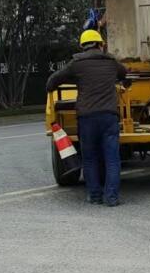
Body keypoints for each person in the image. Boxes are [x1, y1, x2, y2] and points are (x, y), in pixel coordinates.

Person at [46, 29, 128, 206]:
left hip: (87, 118)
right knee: (112, 158)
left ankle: (95, 196)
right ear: (100, 44)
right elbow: (125, 74)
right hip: (109, 116)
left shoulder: (76, 64)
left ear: (83, 47)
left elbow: (52, 82)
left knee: (89, 158)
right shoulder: (112, 62)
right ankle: (112, 198)